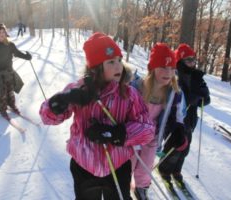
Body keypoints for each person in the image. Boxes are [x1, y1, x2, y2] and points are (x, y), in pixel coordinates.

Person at [39, 32, 155, 200]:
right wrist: (61, 101)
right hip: (83, 166)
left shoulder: (129, 94)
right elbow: (47, 117)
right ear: (96, 67)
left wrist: (117, 134)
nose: (118, 67)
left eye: (119, 60)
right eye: (111, 62)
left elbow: (148, 129)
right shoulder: (79, 89)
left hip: (118, 166)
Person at [130, 43, 188, 199]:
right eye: (163, 67)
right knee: (129, 162)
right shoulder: (137, 87)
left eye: (171, 68)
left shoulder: (174, 93)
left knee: (147, 164)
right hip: (132, 135)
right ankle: (123, 185)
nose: (168, 72)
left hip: (153, 135)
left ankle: (141, 187)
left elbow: (178, 115)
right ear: (152, 68)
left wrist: (179, 130)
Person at [165, 43, 210, 184]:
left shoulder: (197, 76)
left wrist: (202, 98)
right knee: (175, 146)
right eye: (188, 60)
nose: (192, 63)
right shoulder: (174, 75)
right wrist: (190, 97)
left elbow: (206, 98)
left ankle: (176, 170)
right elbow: (172, 95)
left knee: (185, 148)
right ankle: (165, 169)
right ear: (180, 60)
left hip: (190, 120)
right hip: (175, 119)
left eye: (193, 59)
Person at [0, 23, 32, 119]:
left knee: (10, 91)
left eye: (3, 32)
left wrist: (26, 56)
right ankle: (2, 109)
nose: (2, 34)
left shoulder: (10, 45)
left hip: (9, 71)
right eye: (0, 32)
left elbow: (17, 53)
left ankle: (12, 105)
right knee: (1, 93)